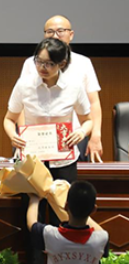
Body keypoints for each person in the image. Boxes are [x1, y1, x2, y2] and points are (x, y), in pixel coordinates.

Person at [4, 38, 92, 264]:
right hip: (33, 160)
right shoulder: (25, 84)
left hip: (64, 160)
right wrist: (13, 136)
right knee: (32, 217)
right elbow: (9, 119)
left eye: (48, 64)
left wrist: (80, 132)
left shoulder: (74, 86)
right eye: (38, 61)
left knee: (63, 216)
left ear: (61, 64)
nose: (42, 68)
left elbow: (88, 120)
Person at [20, 15, 103, 162]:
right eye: (49, 32)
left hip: (74, 136)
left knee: (68, 182)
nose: (55, 36)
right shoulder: (31, 64)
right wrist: (23, 133)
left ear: (71, 35)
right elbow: (20, 104)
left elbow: (94, 103)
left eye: (60, 31)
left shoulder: (83, 63)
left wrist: (95, 135)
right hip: (38, 137)